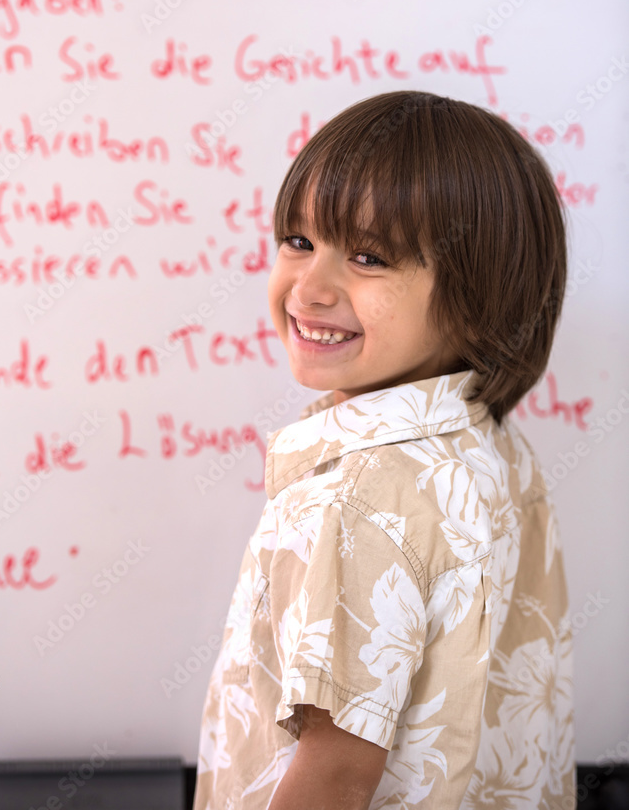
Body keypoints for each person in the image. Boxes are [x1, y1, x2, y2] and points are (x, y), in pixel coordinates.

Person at [192, 91, 575, 809]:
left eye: (368, 257)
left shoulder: (350, 500)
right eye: (298, 241)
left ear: (479, 300)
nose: (310, 287)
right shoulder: (485, 439)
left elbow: (336, 777)